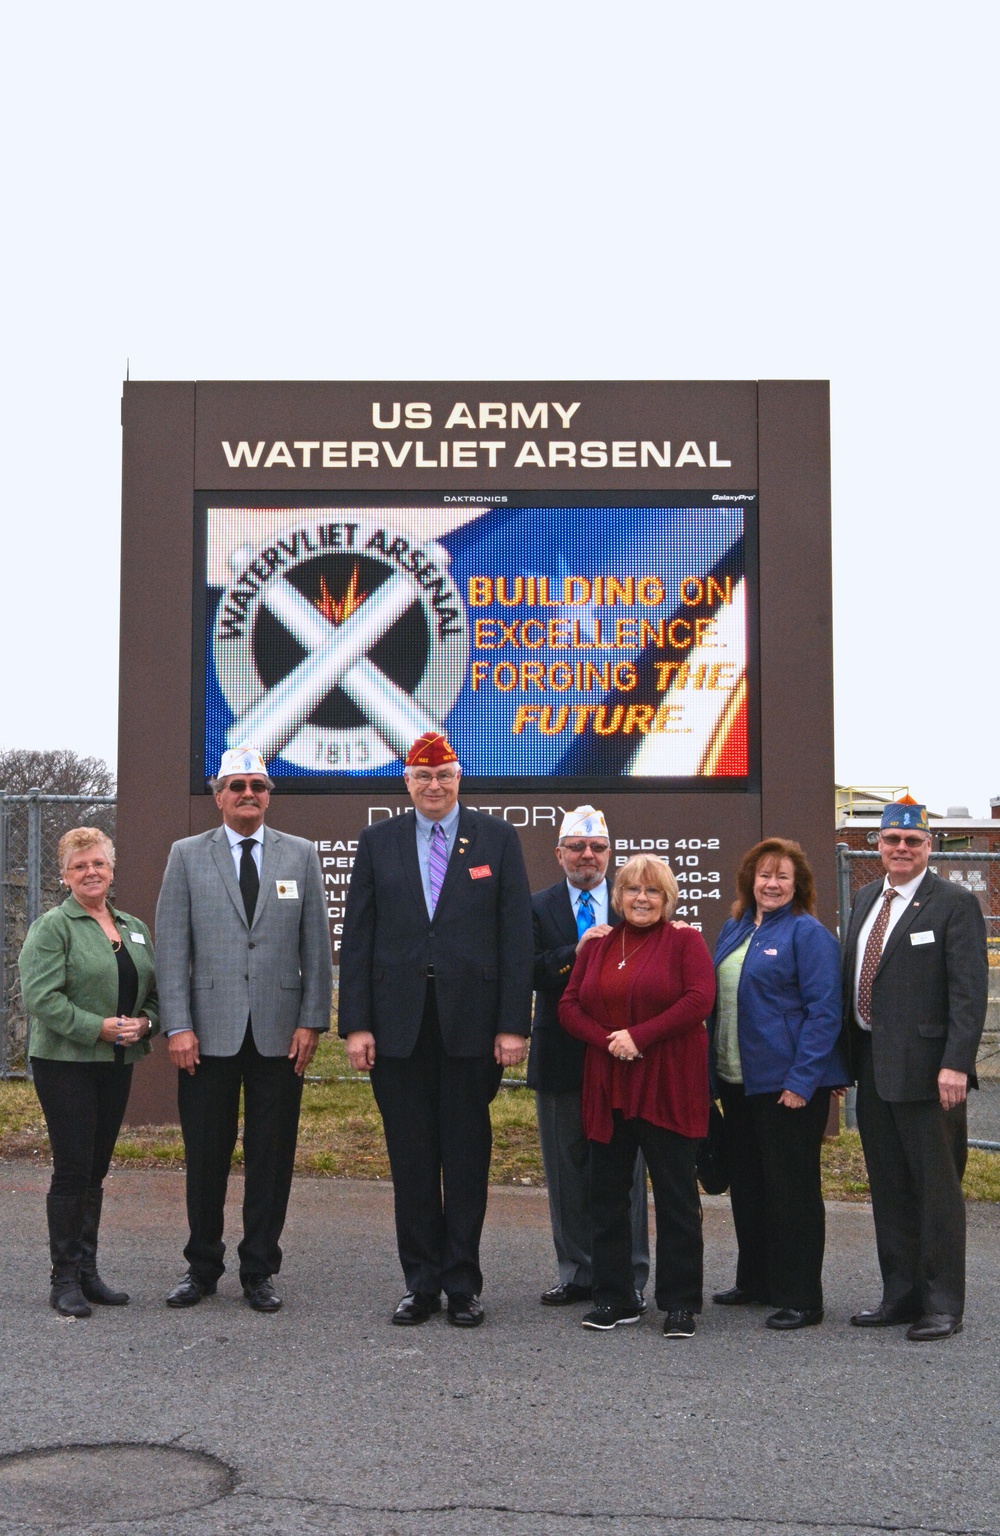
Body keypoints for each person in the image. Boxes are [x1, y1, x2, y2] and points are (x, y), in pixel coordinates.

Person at [339, 731, 533, 1328]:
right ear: (406, 781)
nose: (434, 786)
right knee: (412, 1159)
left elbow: (515, 938)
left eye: (444, 775)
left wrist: (512, 1024)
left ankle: (463, 1285)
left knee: (467, 1156)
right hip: (397, 1029)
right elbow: (360, 938)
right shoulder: (378, 842)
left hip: (471, 1029)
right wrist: (356, 1026)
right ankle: (420, 1283)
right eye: (423, 777)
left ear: (458, 779)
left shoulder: (497, 840)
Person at [155, 745, 332, 1313]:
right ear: (218, 795)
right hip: (206, 1034)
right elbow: (172, 948)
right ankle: (201, 1267)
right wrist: (177, 1025)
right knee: (206, 1154)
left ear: (269, 794)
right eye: (237, 785)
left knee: (272, 1155)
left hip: (282, 1035)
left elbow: (317, 947)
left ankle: (259, 1267)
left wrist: (312, 1020)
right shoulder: (186, 855)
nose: (248, 794)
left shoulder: (300, 855)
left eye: (258, 784)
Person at [841, 797, 987, 1341]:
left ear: (929, 847)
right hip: (874, 1070)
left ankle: (942, 1303)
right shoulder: (864, 898)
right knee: (889, 1187)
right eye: (891, 840)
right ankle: (900, 1295)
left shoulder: (952, 904)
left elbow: (969, 993)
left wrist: (956, 1064)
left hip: (931, 1076)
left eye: (913, 841)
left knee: (936, 1191)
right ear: (877, 844)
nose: (901, 849)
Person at [559, 854, 715, 1337]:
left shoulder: (685, 941)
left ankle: (680, 1303)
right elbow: (568, 1004)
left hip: (667, 1083)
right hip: (609, 1085)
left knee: (675, 1196)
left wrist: (639, 1037)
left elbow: (698, 1000)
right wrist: (609, 1040)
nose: (641, 899)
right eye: (632, 890)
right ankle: (615, 1297)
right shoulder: (599, 947)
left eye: (651, 891)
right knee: (606, 1195)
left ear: (667, 899)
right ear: (617, 896)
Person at [18, 827, 158, 1318]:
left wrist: (147, 1023)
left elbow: (153, 995)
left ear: (111, 870)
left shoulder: (134, 926)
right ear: (64, 876)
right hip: (66, 1063)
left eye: (97, 863)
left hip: (115, 1062)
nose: (90, 872)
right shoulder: (52, 927)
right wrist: (95, 1028)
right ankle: (64, 1279)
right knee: (73, 1168)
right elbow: (41, 997)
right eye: (79, 866)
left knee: (97, 1168)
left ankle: (89, 1271)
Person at [709, 838, 846, 1331]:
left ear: (797, 884)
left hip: (786, 1087)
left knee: (792, 1192)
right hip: (737, 1082)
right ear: (750, 880)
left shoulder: (807, 934)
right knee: (748, 1185)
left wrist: (803, 1080)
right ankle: (756, 1280)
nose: (771, 884)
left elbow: (824, 1012)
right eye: (764, 875)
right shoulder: (734, 928)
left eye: (781, 876)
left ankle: (802, 1297)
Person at [529, 805, 650, 1308]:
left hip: (625, 1059)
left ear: (609, 854)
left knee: (626, 1170)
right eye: (577, 847)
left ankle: (630, 1277)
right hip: (562, 1055)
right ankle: (578, 1271)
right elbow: (527, 971)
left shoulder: (632, 906)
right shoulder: (536, 908)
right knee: (567, 1169)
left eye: (597, 847)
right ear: (559, 854)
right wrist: (572, 954)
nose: (587, 856)